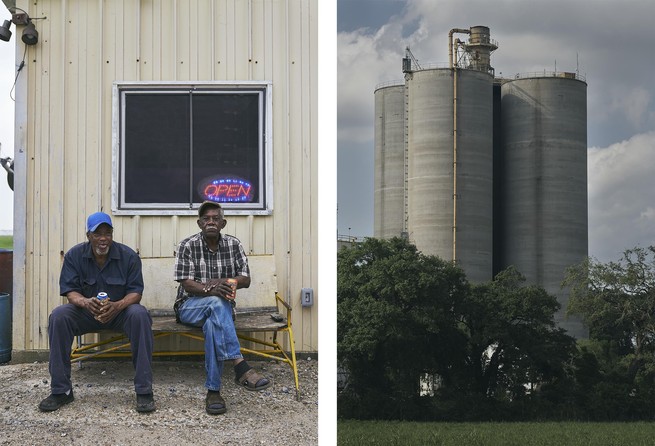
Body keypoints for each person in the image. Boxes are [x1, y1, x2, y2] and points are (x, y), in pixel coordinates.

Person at [38, 212, 155, 413]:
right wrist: (84, 302)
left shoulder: (128, 256)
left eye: (107, 233)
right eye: (97, 233)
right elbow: (70, 291)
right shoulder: (74, 255)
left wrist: (117, 306)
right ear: (88, 235)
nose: (103, 238)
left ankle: (144, 391)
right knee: (59, 316)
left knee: (140, 315)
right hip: (87, 312)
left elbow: (136, 292)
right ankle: (61, 391)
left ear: (112, 235)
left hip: (119, 313)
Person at [174, 200, 271, 415]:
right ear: (199, 223)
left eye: (215, 218)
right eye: (206, 219)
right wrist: (210, 291)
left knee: (212, 326)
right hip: (189, 307)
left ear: (223, 223)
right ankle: (239, 364)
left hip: (220, 312)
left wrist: (219, 282)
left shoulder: (234, 245)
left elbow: (245, 279)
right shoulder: (187, 245)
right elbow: (186, 283)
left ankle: (213, 391)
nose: (210, 222)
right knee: (217, 302)